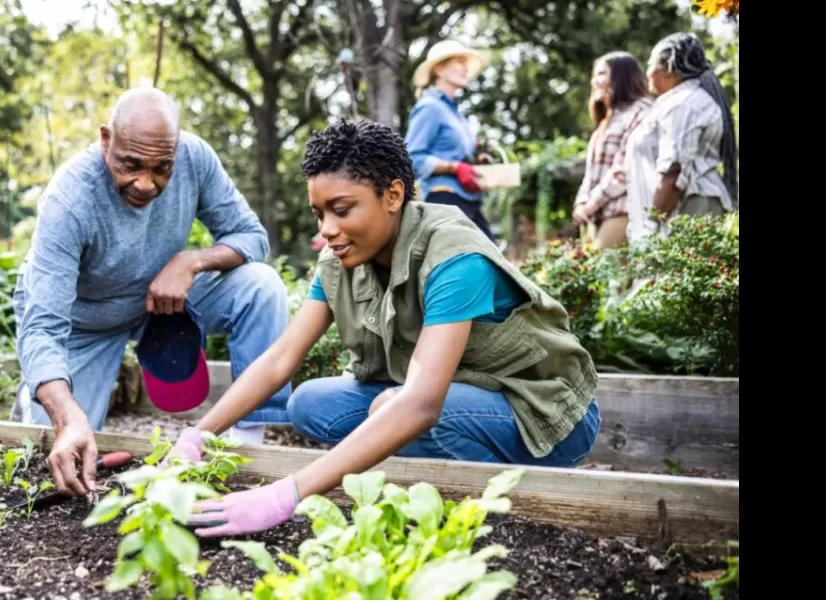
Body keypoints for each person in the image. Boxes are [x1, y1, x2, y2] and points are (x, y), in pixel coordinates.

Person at [168, 119, 601, 538]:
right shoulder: (341, 260)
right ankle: (424, 469)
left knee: (399, 411)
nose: (328, 230)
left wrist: (286, 494)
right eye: (319, 214)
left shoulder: (454, 255)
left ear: (393, 194)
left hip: (541, 413)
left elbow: (420, 405)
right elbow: (281, 359)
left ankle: (507, 500)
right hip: (455, 394)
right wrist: (197, 435)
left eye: (342, 210)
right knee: (310, 404)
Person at [11, 87, 292, 497]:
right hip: (83, 322)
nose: (146, 183)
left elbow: (251, 237)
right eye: (131, 164)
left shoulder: (195, 158)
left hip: (160, 302)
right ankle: (36, 406)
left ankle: (249, 445)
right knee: (50, 457)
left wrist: (190, 261)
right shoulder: (70, 199)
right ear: (106, 139)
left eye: (163, 168)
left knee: (261, 285)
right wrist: (66, 416)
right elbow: (41, 328)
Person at [625, 32, 738, 242]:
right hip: (684, 209)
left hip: (688, 210)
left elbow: (673, 172)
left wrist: (651, 227)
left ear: (667, 67)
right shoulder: (682, 101)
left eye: (650, 64)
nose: (647, 72)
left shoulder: (683, 105)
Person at [404, 39, 498, 241]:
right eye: (460, 62)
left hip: (468, 200)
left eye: (466, 63)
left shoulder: (456, 114)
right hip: (444, 199)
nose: (466, 68)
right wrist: (454, 168)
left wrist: (477, 162)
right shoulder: (430, 107)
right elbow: (411, 158)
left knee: (492, 259)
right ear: (440, 69)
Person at [572, 51, 653, 249]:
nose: (594, 81)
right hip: (598, 214)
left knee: (606, 275)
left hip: (623, 211)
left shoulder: (640, 111)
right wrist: (581, 203)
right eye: (595, 75)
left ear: (621, 77)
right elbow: (592, 173)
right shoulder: (606, 121)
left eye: (601, 74)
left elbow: (624, 169)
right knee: (593, 275)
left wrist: (591, 204)